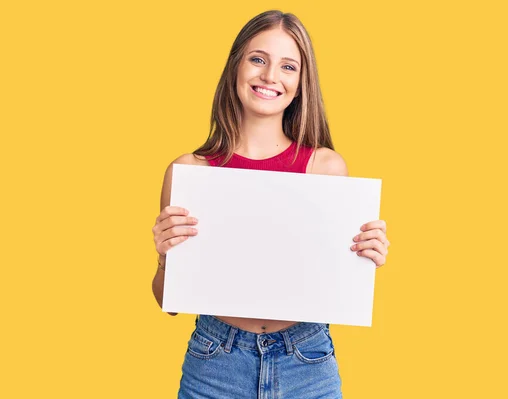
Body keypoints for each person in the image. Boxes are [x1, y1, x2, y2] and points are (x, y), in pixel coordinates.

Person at [151, 10, 390, 399]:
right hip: (215, 361)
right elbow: (169, 304)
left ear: (300, 84)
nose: (270, 77)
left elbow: (332, 287)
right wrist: (165, 258)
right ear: (236, 68)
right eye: (258, 59)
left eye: (288, 66)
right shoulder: (189, 170)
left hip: (306, 360)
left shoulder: (326, 168)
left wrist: (365, 257)